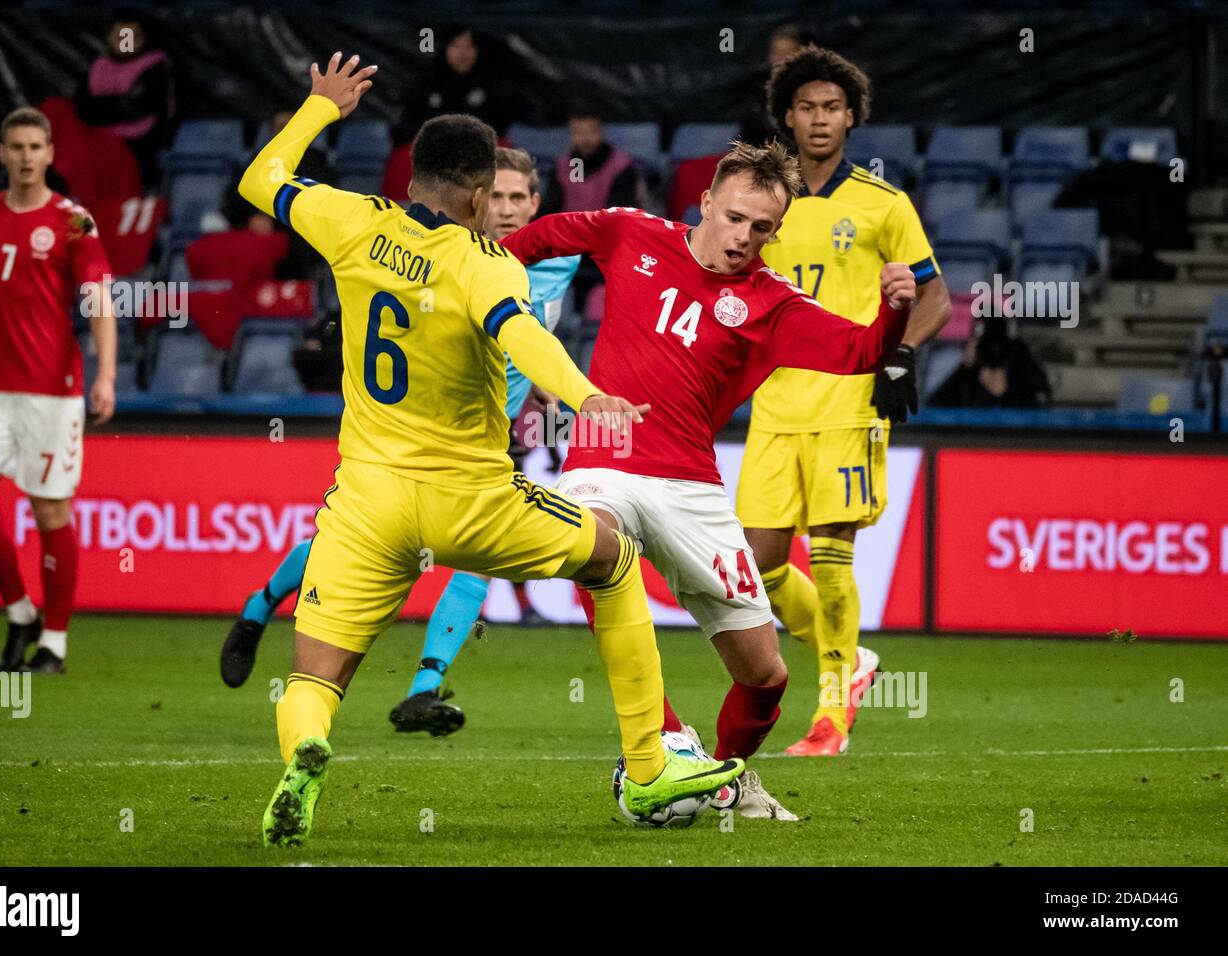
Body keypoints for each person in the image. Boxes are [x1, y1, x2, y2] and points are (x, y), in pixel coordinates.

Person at [237, 53, 743, 847]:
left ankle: (308, 748)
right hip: (471, 498)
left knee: (313, 676)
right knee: (611, 556)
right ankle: (648, 768)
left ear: (412, 175)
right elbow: (524, 338)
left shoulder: (348, 220)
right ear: (480, 196)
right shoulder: (485, 263)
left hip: (366, 501)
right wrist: (588, 399)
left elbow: (259, 180)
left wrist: (318, 109)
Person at [501, 140, 917, 818]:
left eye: (761, 229)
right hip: (604, 455)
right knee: (594, 550)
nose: (743, 238)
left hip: (692, 482)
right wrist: (472, 284)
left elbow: (863, 351)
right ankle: (663, 738)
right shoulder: (631, 233)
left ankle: (725, 779)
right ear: (706, 204)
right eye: (734, 218)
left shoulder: (772, 304)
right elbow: (534, 240)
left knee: (767, 677)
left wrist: (893, 311)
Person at [219, 148, 582, 741]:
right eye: (502, 196)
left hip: (483, 444)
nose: (510, 210)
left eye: (523, 198)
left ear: (537, 204)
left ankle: (424, 688)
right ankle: (260, 605)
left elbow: (525, 334)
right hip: (404, 439)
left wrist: (542, 386)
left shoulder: (553, 264)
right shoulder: (448, 258)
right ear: (479, 198)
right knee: (343, 550)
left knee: (473, 566)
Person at [736, 46, 951, 757]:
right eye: (806, 107)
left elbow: (935, 296)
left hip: (848, 401)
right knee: (757, 567)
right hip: (774, 404)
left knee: (832, 554)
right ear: (787, 118)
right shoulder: (766, 202)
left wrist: (902, 353)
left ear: (852, 116)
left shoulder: (883, 204)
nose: (819, 118)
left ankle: (831, 718)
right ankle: (852, 660)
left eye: (832, 107)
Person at [0, 108, 116, 675]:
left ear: (51, 153)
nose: (27, 156)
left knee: (50, 510)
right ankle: (20, 611)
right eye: (16, 146)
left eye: (37, 146)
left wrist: (106, 373)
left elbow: (100, 299)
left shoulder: (73, 220)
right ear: (3, 153)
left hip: (53, 393)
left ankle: (53, 642)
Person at [73, 10, 174, 189]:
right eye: (119, 36)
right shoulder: (99, 65)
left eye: (131, 36)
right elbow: (82, 107)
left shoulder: (154, 64)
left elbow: (139, 107)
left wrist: (104, 107)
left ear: (144, 38)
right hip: (96, 142)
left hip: (137, 145)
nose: (125, 43)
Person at [540, 105, 643, 216]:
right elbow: (550, 209)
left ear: (602, 131)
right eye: (578, 131)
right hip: (569, 230)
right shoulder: (563, 166)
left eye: (591, 130)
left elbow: (620, 214)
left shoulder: (621, 166)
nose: (585, 138)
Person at [929, 316, 1051, 408]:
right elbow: (933, 409)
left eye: (995, 345)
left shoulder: (1018, 359)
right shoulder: (971, 370)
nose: (991, 351)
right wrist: (964, 369)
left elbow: (1042, 404)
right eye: (983, 345)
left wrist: (1006, 392)